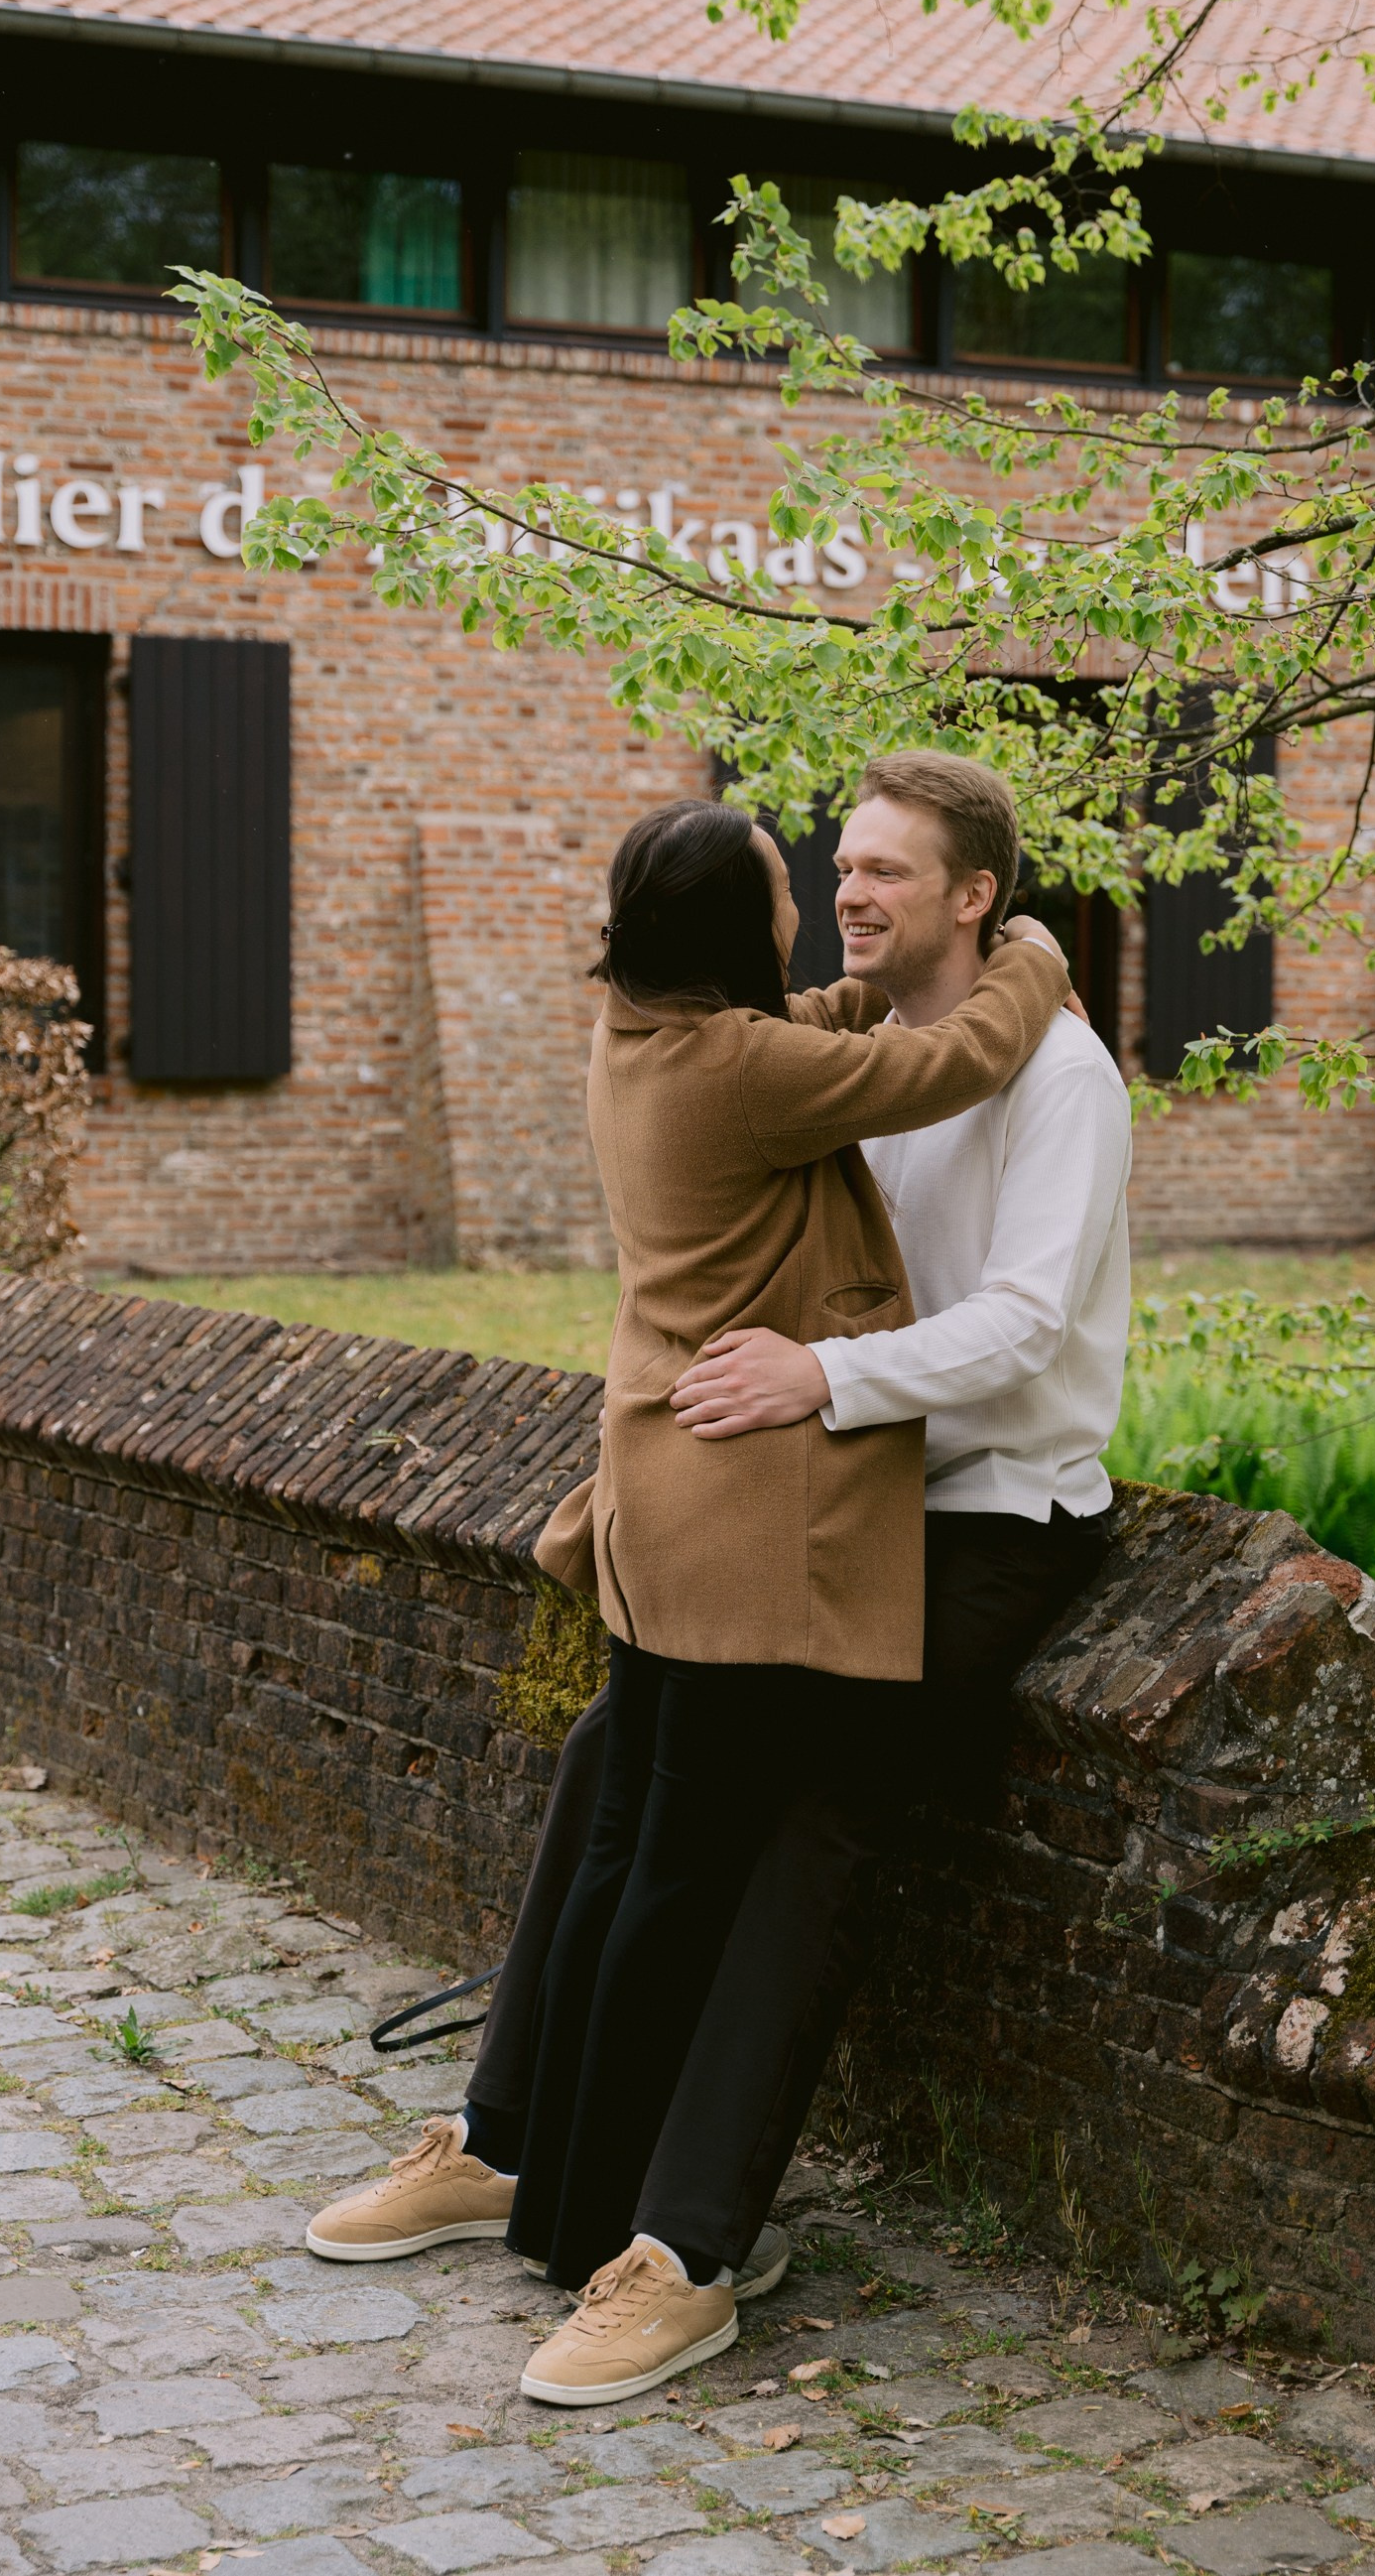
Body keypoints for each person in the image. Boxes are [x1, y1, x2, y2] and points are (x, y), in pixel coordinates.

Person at [304, 789, 1075, 2401]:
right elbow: (934, 1060)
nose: (835, 898)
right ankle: (595, 2211)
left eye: (875, 871)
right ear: (738, 931)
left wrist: (915, 976)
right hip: (735, 1513)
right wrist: (1032, 956)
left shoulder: (644, 1030)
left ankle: (525, 2156)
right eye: (814, 876)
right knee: (674, 1858)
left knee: (612, 1810)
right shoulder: (747, 1069)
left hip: (670, 1485)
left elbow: (840, 1030)